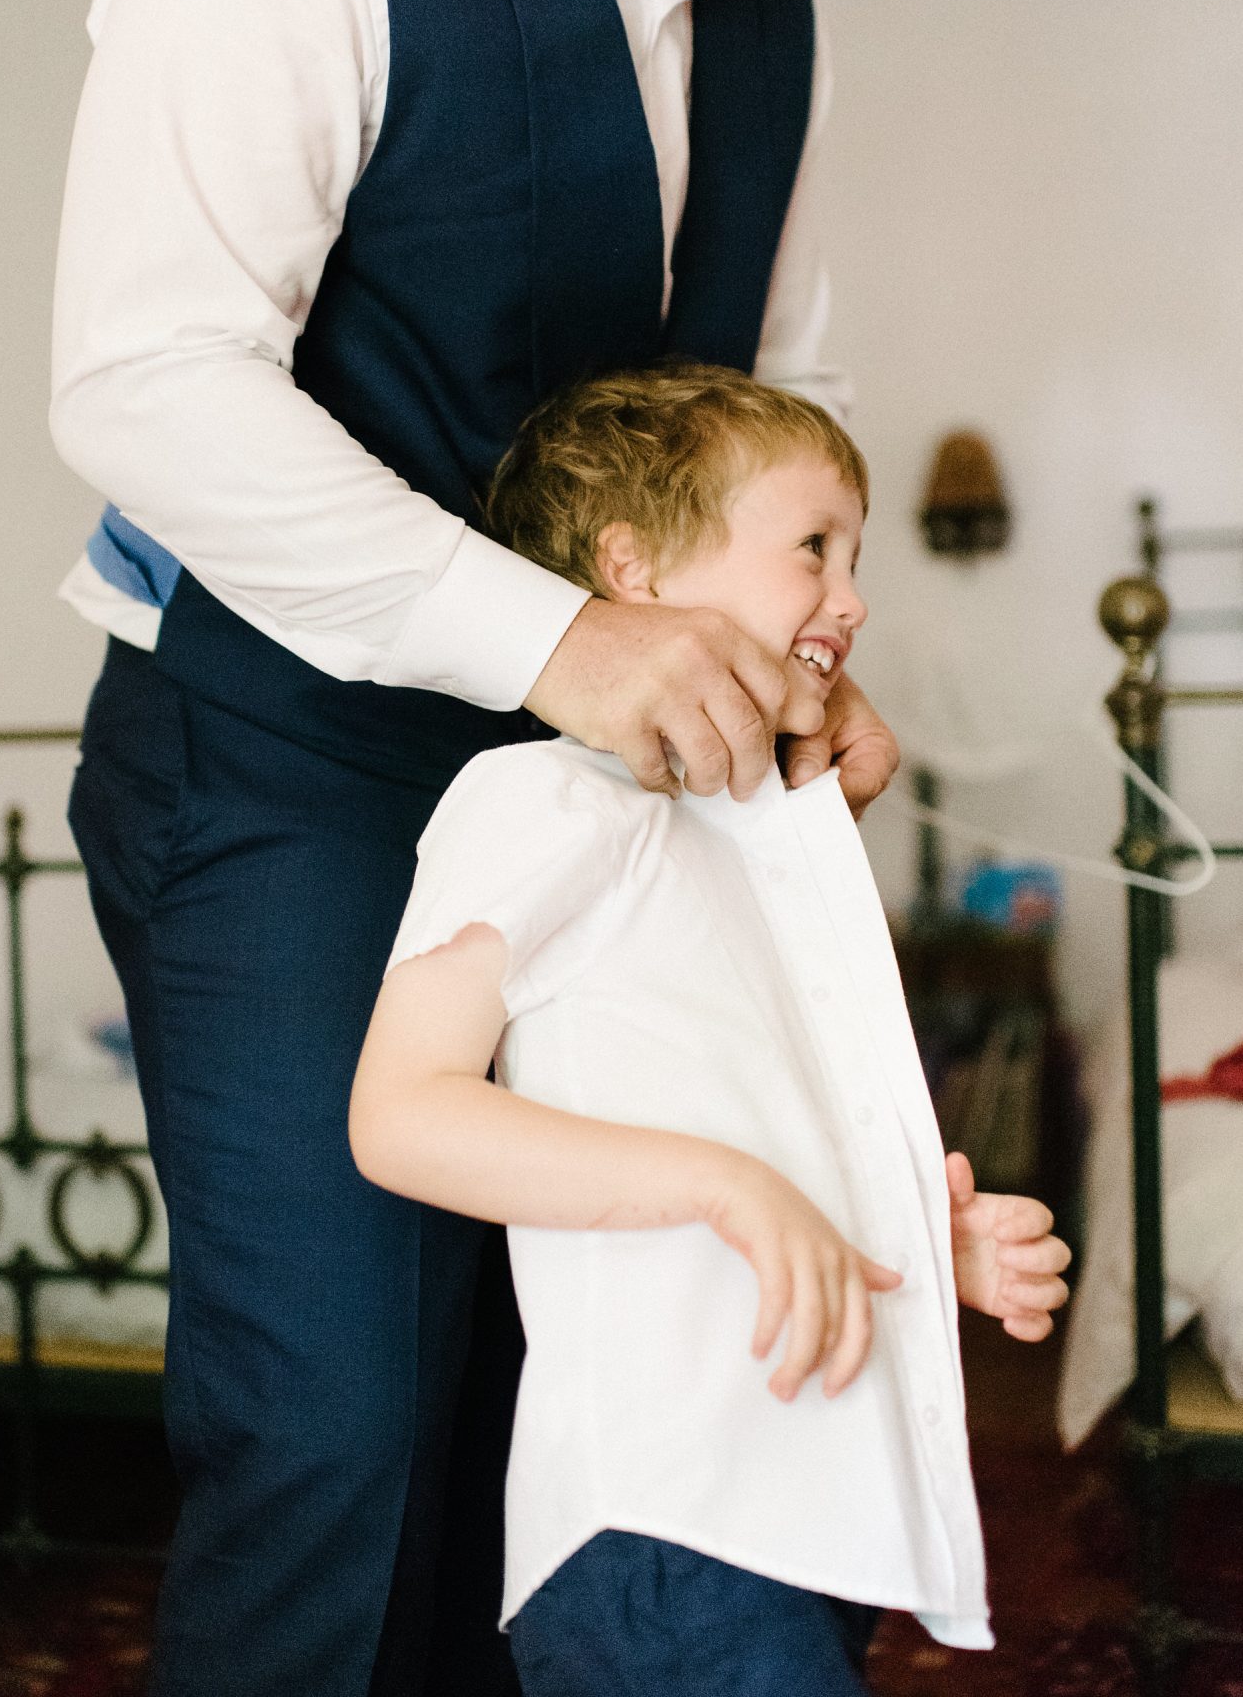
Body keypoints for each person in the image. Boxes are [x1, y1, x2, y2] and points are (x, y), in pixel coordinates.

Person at [50, 0, 971, 1691]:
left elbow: (763, 394)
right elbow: (145, 379)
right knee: (351, 1441)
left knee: (579, 1428)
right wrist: (565, 637)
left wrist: (782, 648)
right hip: (287, 768)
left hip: (616, 800)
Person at [349, 363, 1073, 1695]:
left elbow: (757, 1124)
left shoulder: (757, 843)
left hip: (804, 1509)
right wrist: (728, 1188)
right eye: (814, 549)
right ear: (633, 570)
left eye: (855, 559)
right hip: (665, 1521)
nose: (852, 600)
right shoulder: (538, 800)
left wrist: (919, 1241)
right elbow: (399, 1116)